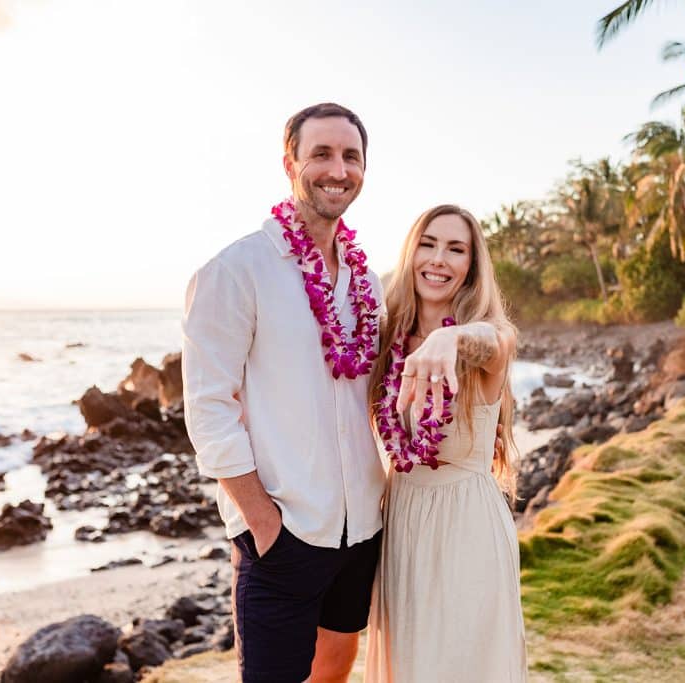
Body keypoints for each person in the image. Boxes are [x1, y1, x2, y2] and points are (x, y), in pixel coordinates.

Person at [181, 102, 386, 683]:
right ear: (290, 162)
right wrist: (262, 521)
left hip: (361, 529)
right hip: (284, 532)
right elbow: (209, 408)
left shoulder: (367, 282)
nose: (337, 169)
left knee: (337, 669)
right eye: (321, 153)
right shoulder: (237, 270)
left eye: (351, 156)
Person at [364, 205, 528, 682]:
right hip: (402, 520)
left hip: (465, 526)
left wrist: (450, 342)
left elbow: (497, 339)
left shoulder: (486, 344)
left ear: (472, 268)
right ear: (411, 251)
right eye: (428, 243)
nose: (438, 259)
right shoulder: (386, 334)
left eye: (456, 249)